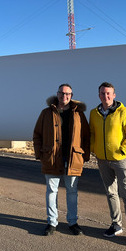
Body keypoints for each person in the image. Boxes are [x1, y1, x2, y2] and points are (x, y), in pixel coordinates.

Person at [89, 82, 126, 247]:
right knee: (111, 193)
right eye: (102, 93)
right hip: (102, 160)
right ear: (98, 95)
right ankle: (116, 225)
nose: (105, 96)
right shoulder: (94, 113)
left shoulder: (124, 112)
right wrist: (94, 148)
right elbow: (92, 133)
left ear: (114, 95)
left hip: (121, 160)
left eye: (108, 93)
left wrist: (123, 150)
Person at [33, 83, 90, 236]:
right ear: (57, 94)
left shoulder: (79, 114)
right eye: (61, 93)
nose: (64, 96)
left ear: (71, 95)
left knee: (72, 191)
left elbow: (86, 136)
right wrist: (40, 154)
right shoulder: (46, 113)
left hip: (73, 159)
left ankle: (73, 222)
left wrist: (84, 156)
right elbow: (37, 134)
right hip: (52, 158)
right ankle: (52, 222)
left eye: (67, 94)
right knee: (52, 191)